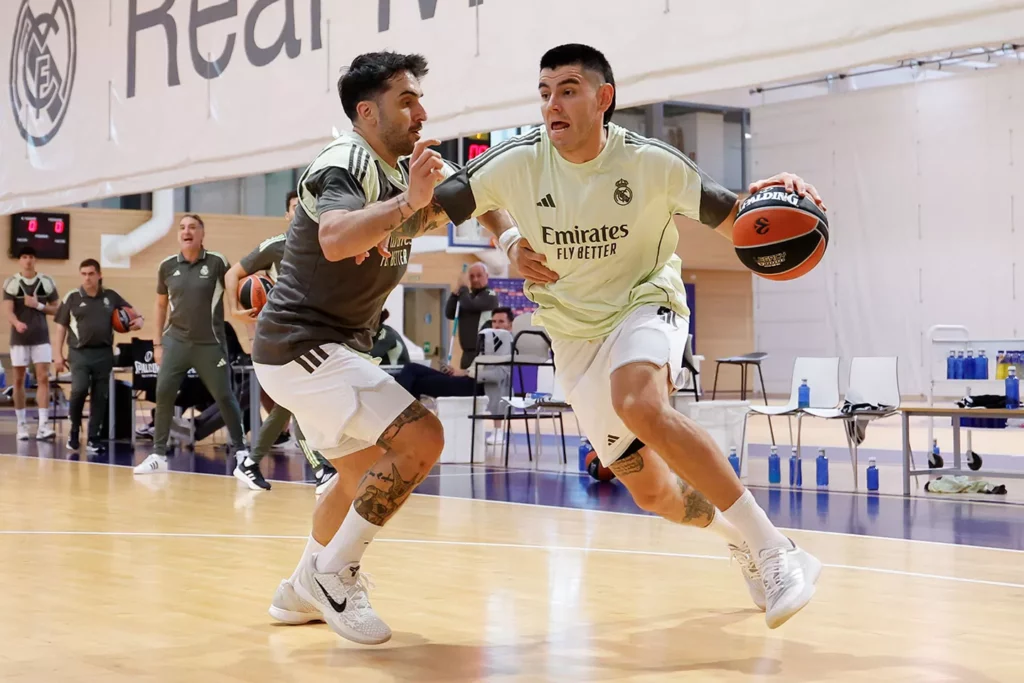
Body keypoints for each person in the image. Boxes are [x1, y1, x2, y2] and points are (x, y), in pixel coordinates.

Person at [433, 44, 827, 629]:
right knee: (653, 494)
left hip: (646, 299)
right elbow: (455, 199)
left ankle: (775, 551)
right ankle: (740, 539)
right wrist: (510, 238)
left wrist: (781, 196)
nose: (552, 105)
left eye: (568, 89)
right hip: (571, 331)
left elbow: (738, 218)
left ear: (603, 98)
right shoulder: (515, 160)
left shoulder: (652, 163)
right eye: (544, 93)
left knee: (638, 402)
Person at [251, 50, 513, 645]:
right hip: (301, 345)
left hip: (322, 351)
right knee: (423, 437)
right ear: (367, 112)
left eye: (420, 98)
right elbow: (338, 239)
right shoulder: (342, 163)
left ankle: (299, 589)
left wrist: (512, 241)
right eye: (406, 100)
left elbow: (476, 193)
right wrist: (409, 204)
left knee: (358, 477)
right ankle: (333, 576)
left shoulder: (407, 167)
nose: (421, 111)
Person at [225, 191, 338, 493]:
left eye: (307, 206)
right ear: (288, 215)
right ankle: (320, 469)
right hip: (284, 334)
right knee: (300, 400)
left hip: (313, 333)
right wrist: (236, 311)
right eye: (294, 207)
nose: (301, 210)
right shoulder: (276, 246)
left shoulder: (325, 243)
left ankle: (250, 464)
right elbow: (233, 273)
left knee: (288, 404)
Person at [133, 214, 250, 474]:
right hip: (175, 341)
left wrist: (240, 313)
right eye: (183, 228)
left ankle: (242, 450)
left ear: (201, 234)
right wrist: (157, 344)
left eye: (192, 227)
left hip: (210, 343)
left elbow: (233, 287)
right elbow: (160, 304)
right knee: (163, 393)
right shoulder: (167, 266)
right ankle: (158, 455)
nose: (187, 232)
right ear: (179, 235)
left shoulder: (217, 262)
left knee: (224, 396)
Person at [53, 259, 143, 453]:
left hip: (103, 353)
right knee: (79, 390)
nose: (87, 278)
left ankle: (93, 438)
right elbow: (61, 326)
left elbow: (135, 315)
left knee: (100, 396)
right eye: (83, 274)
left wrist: (140, 321)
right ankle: (74, 431)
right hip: (79, 353)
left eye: (91, 274)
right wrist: (57, 354)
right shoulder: (72, 297)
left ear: (99, 275)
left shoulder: (111, 296)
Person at [395, 306, 512, 439]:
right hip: (465, 378)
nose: (496, 326)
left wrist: (469, 374)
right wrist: (460, 371)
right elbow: (475, 368)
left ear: (510, 325)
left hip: (475, 386)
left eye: (501, 322)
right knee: (411, 368)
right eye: (494, 322)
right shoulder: (490, 343)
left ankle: (400, 418)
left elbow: (499, 375)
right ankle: (405, 419)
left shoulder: (508, 346)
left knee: (417, 383)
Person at [3, 246, 59, 441]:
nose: (28, 260)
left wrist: (38, 305)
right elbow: (8, 310)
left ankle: (43, 425)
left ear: (35, 260)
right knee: (18, 380)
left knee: (43, 378)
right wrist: (17, 323)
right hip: (19, 339)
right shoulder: (11, 283)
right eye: (24, 257)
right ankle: (22, 424)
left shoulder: (46, 282)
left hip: (41, 338)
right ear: (20, 260)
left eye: (31, 257)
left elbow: (57, 310)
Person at [445, 262, 498, 369]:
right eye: (471, 276)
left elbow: (470, 305)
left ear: (486, 276)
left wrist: (464, 288)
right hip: (466, 353)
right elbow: (450, 313)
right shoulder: (466, 297)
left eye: (479, 275)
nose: (475, 280)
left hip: (482, 353)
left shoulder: (490, 295)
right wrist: (455, 293)